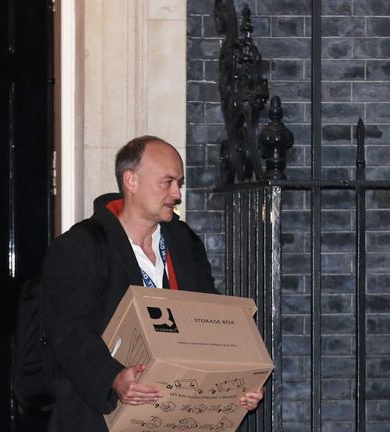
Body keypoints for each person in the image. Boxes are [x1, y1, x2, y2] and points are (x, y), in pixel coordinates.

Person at [40, 136, 264, 431]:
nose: (177, 193)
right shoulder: (80, 246)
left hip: (175, 414)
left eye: (179, 183)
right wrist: (112, 378)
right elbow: (69, 332)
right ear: (131, 180)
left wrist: (237, 380)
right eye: (167, 182)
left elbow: (212, 317)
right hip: (99, 418)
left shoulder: (183, 241)